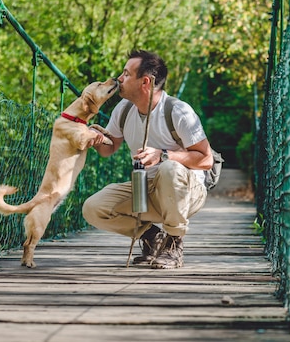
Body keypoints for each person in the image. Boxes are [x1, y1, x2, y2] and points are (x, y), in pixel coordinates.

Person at [83, 49, 213, 269]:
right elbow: (109, 149)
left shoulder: (179, 111)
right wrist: (94, 138)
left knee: (169, 169)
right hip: (146, 190)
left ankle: (173, 243)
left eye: (125, 74)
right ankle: (153, 238)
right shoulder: (123, 109)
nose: (119, 79)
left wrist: (163, 155)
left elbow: (206, 159)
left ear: (145, 82)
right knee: (93, 208)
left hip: (186, 192)